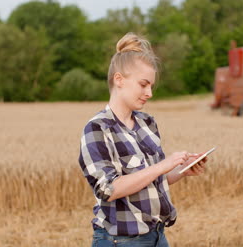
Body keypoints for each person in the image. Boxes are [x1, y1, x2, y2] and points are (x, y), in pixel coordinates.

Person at [78, 32, 208, 247]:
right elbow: (109, 189)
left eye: (151, 86)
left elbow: (150, 182)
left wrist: (182, 170)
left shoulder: (147, 123)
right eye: (143, 84)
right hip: (120, 241)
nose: (149, 93)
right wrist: (164, 166)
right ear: (119, 80)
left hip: (157, 236)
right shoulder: (97, 128)